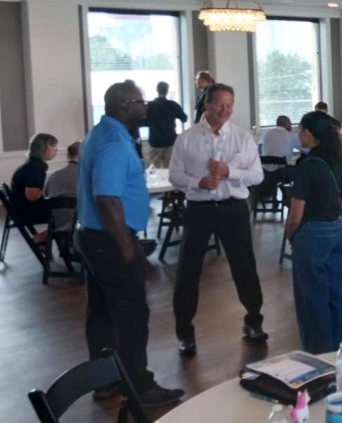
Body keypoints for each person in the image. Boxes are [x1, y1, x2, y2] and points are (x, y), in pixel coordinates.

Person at [75, 80, 184, 406]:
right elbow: (107, 198)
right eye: (140, 102)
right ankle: (139, 386)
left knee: (102, 312)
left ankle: (104, 380)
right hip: (110, 241)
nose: (146, 107)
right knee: (131, 314)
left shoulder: (102, 133)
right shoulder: (113, 143)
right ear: (124, 105)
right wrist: (126, 247)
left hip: (94, 238)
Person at [169, 83, 267, 357]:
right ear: (207, 105)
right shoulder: (186, 139)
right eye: (219, 104)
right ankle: (184, 332)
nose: (225, 110)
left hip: (233, 208)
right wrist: (198, 182)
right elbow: (175, 175)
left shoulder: (242, 138)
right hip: (199, 209)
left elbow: (257, 175)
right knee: (188, 271)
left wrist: (229, 172)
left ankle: (254, 321)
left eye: (229, 105)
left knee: (244, 266)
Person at [284, 111, 342, 354]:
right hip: (335, 231)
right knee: (333, 295)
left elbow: (295, 215)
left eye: (300, 130)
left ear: (309, 134)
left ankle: (319, 355)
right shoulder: (335, 162)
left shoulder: (307, 166)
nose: (298, 134)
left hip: (312, 235)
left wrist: (290, 234)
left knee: (311, 300)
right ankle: (339, 348)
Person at [10, 132, 58, 226]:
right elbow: (32, 196)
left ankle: (51, 233)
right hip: (27, 213)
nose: (56, 149)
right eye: (53, 146)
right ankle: (53, 233)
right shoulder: (33, 168)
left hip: (23, 210)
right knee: (68, 207)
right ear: (42, 148)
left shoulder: (33, 164)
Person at [144, 81, 188, 168]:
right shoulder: (173, 105)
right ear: (167, 91)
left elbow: (143, 123)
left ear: (157, 90)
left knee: (154, 169)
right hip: (170, 140)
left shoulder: (149, 106)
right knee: (170, 169)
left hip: (155, 141)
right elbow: (184, 118)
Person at [45, 141, 80, 233]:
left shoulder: (54, 176)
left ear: (68, 156)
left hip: (57, 223)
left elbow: (46, 195)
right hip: (81, 224)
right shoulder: (86, 176)